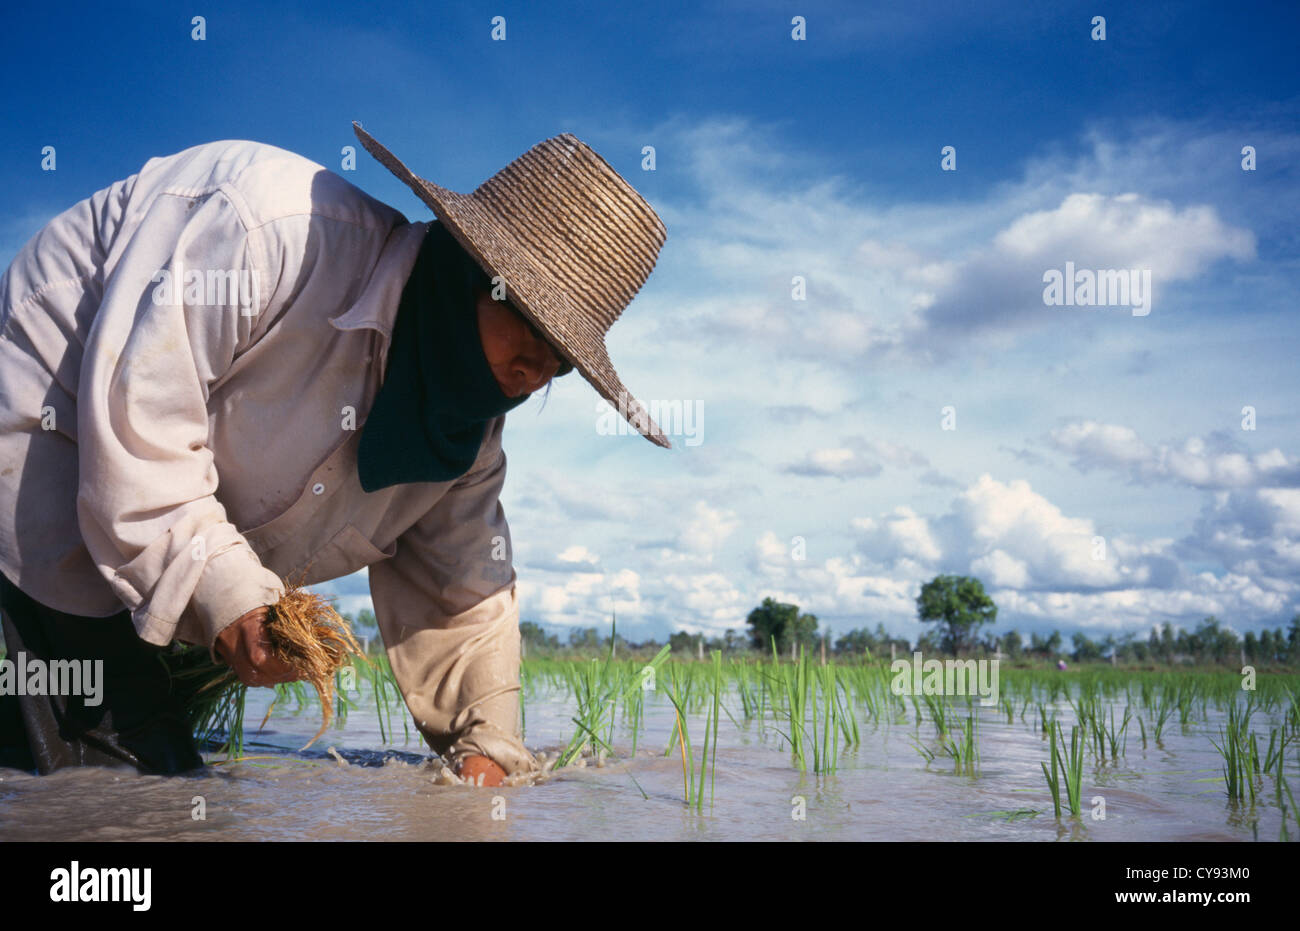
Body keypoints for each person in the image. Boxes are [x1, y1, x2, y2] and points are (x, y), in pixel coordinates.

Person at [0, 122, 670, 786]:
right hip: (47, 425)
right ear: (468, 267)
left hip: (151, 519)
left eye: (561, 360)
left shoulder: (465, 438)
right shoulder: (269, 233)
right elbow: (140, 424)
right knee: (125, 789)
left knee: (156, 757)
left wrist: (486, 753)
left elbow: (463, 593)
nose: (536, 371)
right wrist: (232, 597)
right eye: (529, 322)